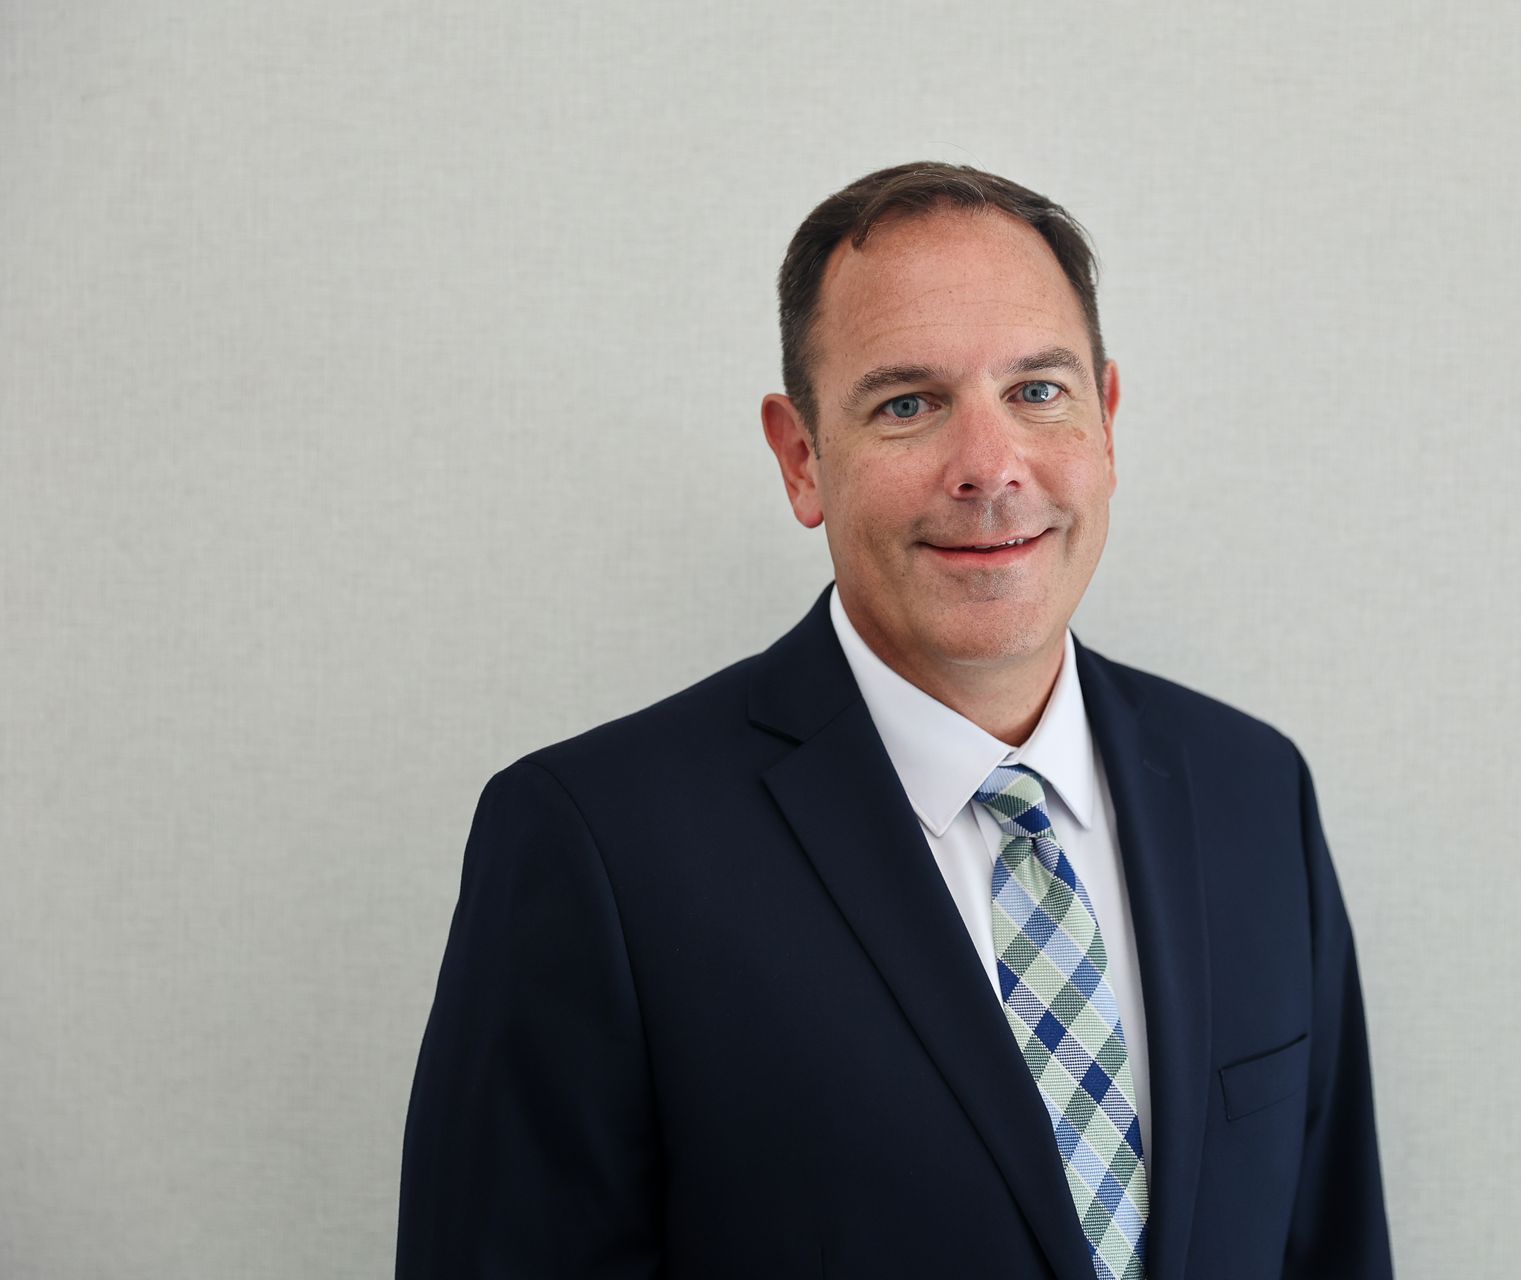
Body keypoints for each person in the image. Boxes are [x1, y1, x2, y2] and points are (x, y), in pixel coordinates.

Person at [396, 162, 1392, 1279]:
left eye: (1037, 391)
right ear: (801, 455)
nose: (989, 466)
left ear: (1107, 421)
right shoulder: (597, 846)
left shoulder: (1252, 791)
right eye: (908, 403)